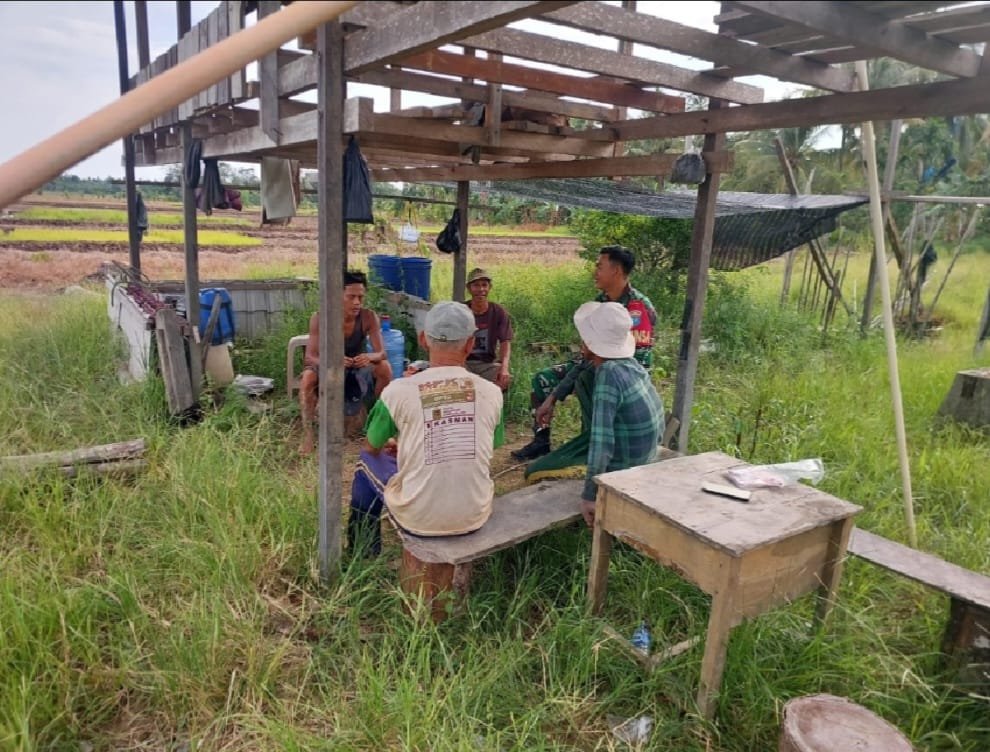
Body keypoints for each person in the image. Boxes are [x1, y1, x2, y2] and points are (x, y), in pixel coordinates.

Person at [347, 301, 505, 553]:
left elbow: (372, 446)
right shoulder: (492, 392)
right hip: (475, 514)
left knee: (366, 461)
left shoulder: (397, 391)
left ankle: (362, 552)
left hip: (419, 520)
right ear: (470, 343)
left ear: (423, 340)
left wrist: (402, 444)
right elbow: (489, 445)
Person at [512, 245, 657, 469]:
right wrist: (553, 397)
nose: (594, 271)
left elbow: (637, 366)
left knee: (588, 382)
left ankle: (594, 444)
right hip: (594, 362)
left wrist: (585, 374)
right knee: (544, 379)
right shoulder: (602, 301)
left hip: (619, 376)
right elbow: (588, 354)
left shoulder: (638, 308)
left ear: (616, 270)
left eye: (599, 266)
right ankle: (541, 439)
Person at [570, 301, 665, 527]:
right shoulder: (630, 364)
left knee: (539, 468)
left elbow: (602, 442)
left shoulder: (608, 375)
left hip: (626, 469)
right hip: (648, 454)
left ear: (590, 343)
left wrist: (590, 495)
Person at [299, 270, 392, 455]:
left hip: (356, 367)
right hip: (328, 366)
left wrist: (369, 357)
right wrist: (332, 361)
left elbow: (382, 353)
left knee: (385, 369)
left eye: (361, 297)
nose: (357, 302)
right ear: (338, 296)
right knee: (307, 378)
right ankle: (308, 434)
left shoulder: (368, 317)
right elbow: (310, 357)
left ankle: (378, 423)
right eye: (351, 297)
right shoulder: (321, 318)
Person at [463, 267, 513, 391]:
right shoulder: (461, 311)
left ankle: (492, 403)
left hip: (487, 364)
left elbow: (505, 342)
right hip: (463, 363)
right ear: (469, 288)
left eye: (484, 285)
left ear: (489, 287)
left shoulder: (498, 312)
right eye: (476, 285)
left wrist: (504, 368)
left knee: (504, 379)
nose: (481, 289)